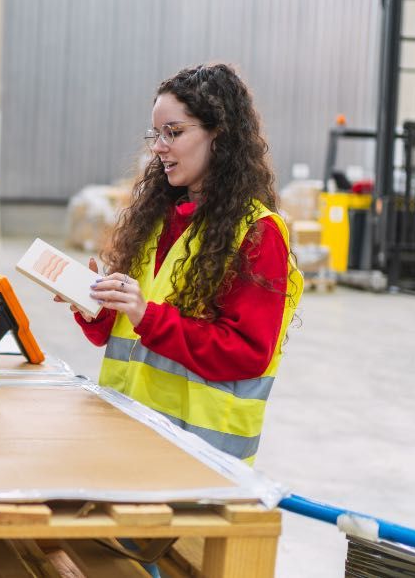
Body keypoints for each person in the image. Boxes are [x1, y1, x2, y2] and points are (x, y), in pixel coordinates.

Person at [66, 63, 303, 464]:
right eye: (156, 134)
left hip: (200, 460)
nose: (159, 147)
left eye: (174, 133)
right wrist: (94, 306)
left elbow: (247, 353)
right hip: (130, 438)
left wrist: (148, 317)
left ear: (220, 135)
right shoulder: (158, 218)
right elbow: (124, 331)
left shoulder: (258, 233)